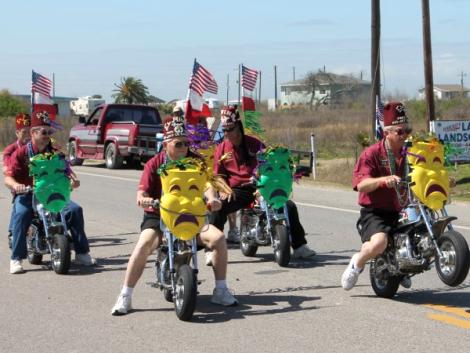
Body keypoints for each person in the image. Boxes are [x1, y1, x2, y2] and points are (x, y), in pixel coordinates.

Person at [111, 115, 238, 316]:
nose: (183, 148)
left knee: (219, 238)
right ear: (166, 144)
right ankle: (125, 295)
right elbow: (141, 192)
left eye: (186, 143)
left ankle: (221, 289)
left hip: (192, 215)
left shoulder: (196, 161)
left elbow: (206, 184)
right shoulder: (154, 163)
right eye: (178, 144)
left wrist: (212, 199)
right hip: (159, 215)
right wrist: (144, 199)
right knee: (144, 244)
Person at [210, 105, 316, 258]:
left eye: (230, 129)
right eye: (224, 130)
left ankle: (299, 246)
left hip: (260, 185)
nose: (227, 134)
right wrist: (224, 190)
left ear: (238, 126)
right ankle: (213, 249)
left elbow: (270, 165)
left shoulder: (255, 144)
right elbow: (218, 175)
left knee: (289, 206)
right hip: (236, 190)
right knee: (217, 208)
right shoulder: (221, 149)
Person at [4, 111, 96, 274]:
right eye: (44, 132)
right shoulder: (21, 153)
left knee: (75, 210)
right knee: (21, 214)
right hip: (28, 194)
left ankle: (82, 253)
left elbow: (67, 171)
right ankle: (16, 258)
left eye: (49, 132)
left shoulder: (55, 152)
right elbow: (8, 178)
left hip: (52, 194)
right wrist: (17, 185)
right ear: (33, 133)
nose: (47, 136)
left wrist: (73, 181)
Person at [341, 101, 412, 290]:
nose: (405, 135)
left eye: (408, 130)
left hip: (403, 209)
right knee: (378, 243)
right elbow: (361, 185)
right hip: (375, 212)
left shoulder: (411, 153)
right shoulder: (371, 154)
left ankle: (405, 262)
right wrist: (383, 180)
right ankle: (357, 263)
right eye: (400, 131)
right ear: (387, 132)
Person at [3, 113, 31, 248]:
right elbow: (8, 168)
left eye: (30, 132)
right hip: (19, 184)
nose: (27, 135)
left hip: (36, 184)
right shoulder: (11, 149)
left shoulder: (35, 147)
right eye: (24, 132)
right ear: (17, 132)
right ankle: (13, 232)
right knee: (20, 208)